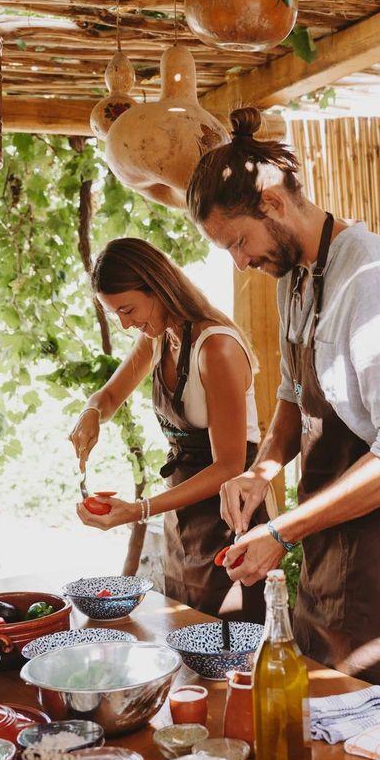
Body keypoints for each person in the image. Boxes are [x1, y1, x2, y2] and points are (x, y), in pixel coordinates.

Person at [186, 107, 380, 710]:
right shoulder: (294, 277)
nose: (240, 262)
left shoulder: (374, 280)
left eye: (238, 242)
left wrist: (282, 531)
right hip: (328, 535)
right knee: (327, 712)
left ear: (272, 203)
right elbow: (295, 393)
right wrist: (262, 470)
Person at [69, 237, 266, 622]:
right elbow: (109, 397)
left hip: (232, 517)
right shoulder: (158, 338)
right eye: (116, 314)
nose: (126, 324)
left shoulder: (216, 348)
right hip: (183, 518)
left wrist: (138, 510)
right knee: (182, 627)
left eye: (128, 310)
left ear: (157, 288)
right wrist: (91, 411)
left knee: (228, 639)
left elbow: (229, 466)